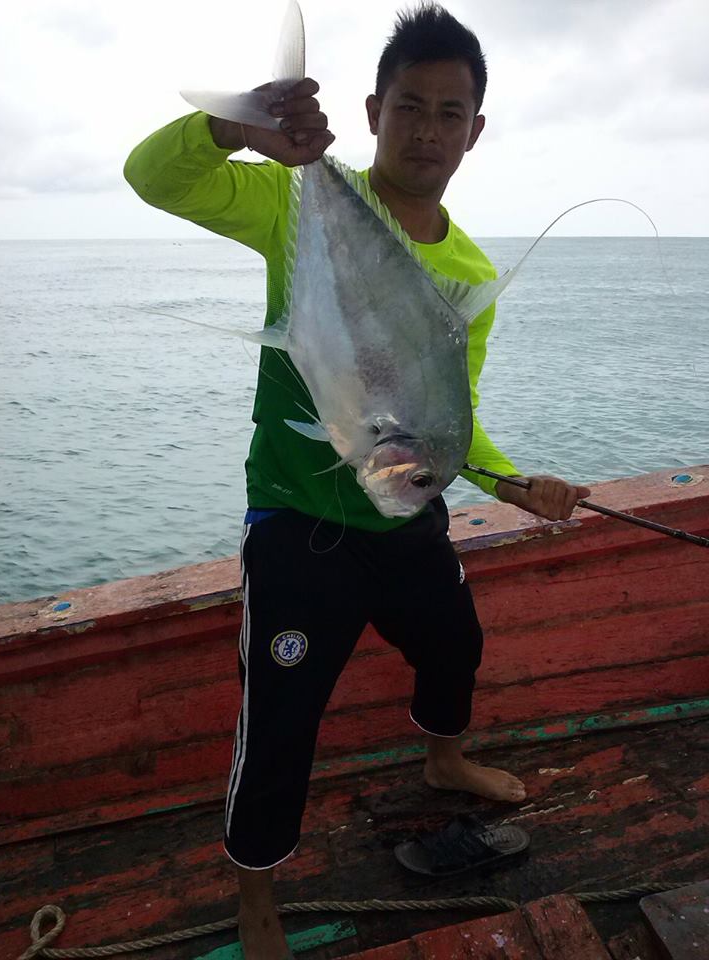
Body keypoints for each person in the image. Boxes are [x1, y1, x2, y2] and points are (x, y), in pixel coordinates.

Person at [125, 5, 591, 957]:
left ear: (476, 128)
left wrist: (508, 483)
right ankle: (257, 891)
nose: (427, 129)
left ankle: (445, 760)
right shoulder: (296, 204)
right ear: (374, 112)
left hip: (406, 513)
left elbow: (446, 418)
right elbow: (150, 178)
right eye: (409, 107)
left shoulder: (465, 270)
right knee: (282, 718)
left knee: (455, 643)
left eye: (449, 112)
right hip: (299, 525)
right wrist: (234, 129)